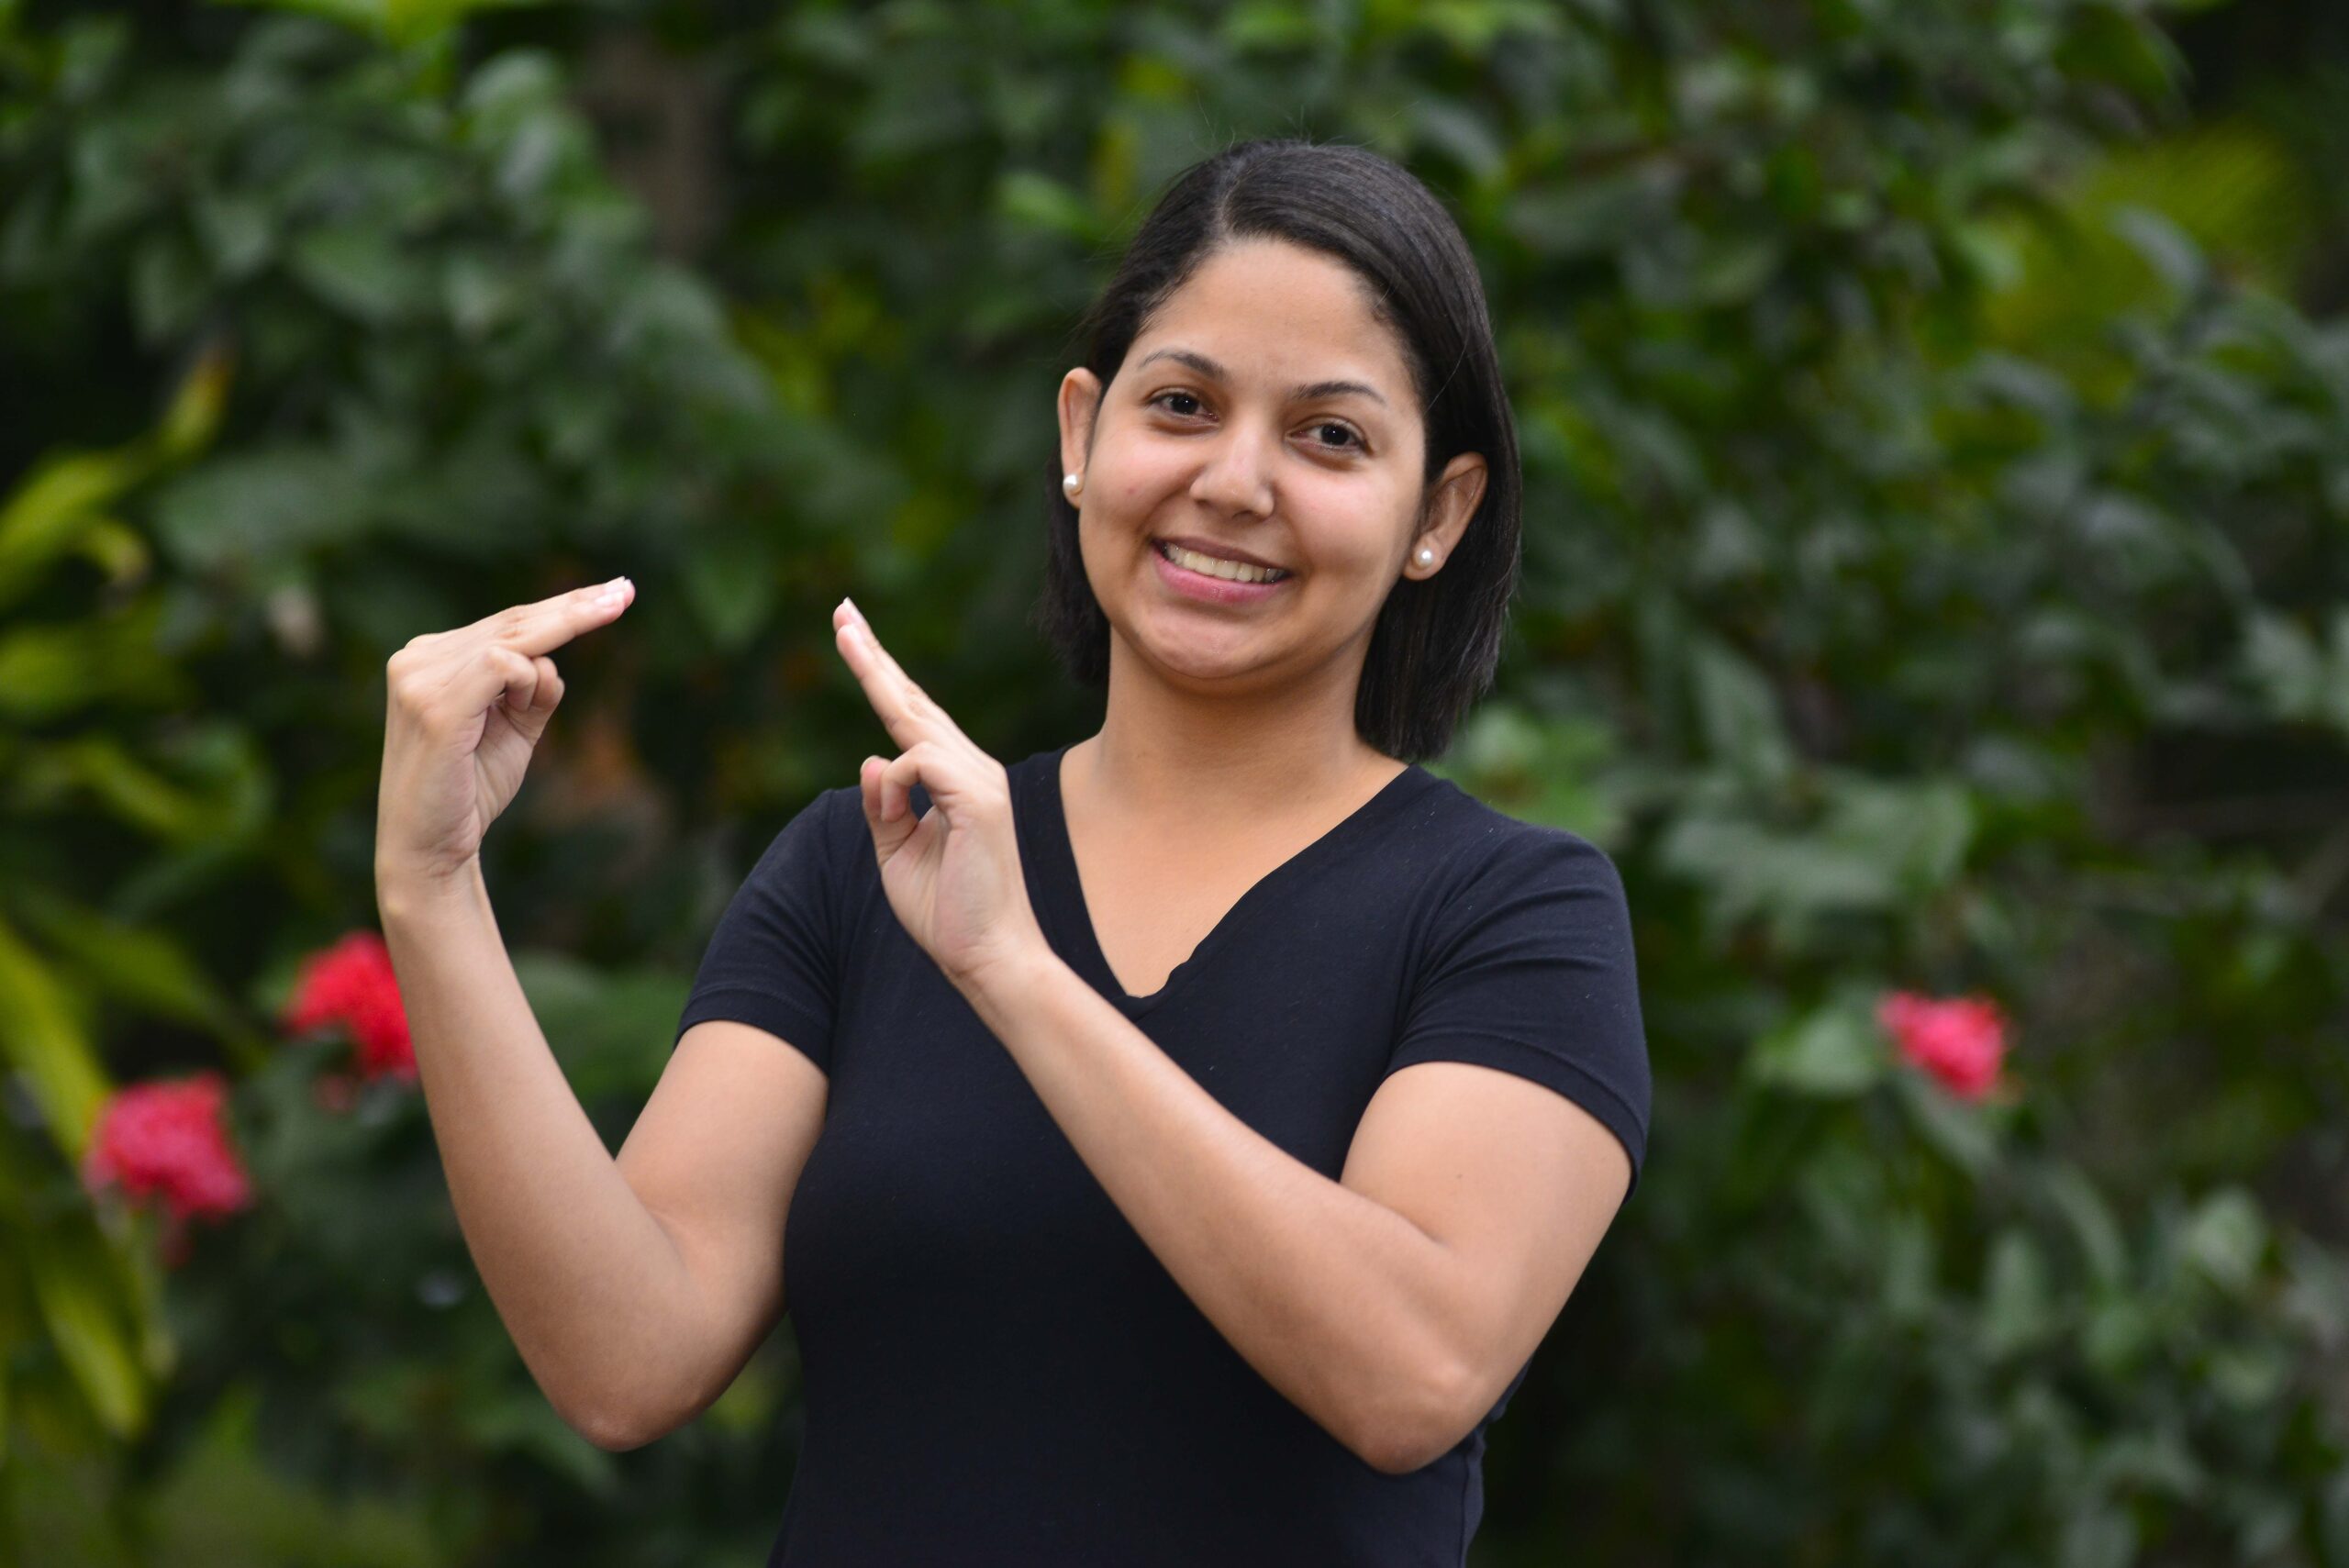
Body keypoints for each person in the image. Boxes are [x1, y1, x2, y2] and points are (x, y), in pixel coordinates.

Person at [374, 137, 1650, 1567]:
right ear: (1080, 433)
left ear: (1440, 515)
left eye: (1330, 436)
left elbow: (1412, 1372)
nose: (1235, 481)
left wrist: (1016, 972)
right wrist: (434, 892)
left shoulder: (1512, 911)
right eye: (1183, 404)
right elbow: (624, 1359)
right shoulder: (866, 865)